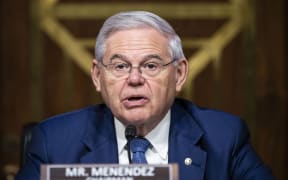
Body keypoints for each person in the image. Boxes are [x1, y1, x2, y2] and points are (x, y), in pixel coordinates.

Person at [16, 11, 275, 180]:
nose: (135, 79)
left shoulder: (224, 137)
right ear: (97, 76)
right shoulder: (55, 141)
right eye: (120, 66)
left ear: (179, 74)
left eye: (151, 66)